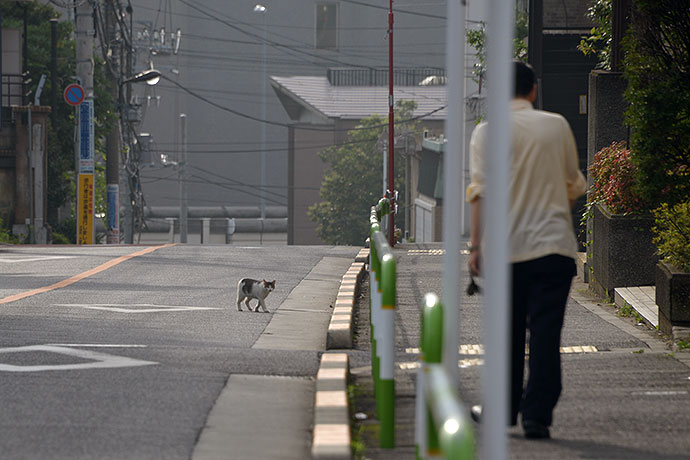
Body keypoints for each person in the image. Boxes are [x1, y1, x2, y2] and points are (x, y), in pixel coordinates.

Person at [466, 61, 587, 439]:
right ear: (533, 90)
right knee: (547, 334)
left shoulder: (485, 133)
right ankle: (537, 415)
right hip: (553, 247)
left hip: (505, 249)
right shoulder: (556, 125)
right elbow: (573, 185)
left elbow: (479, 193)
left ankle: (501, 408)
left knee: (507, 332)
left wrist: (475, 247)